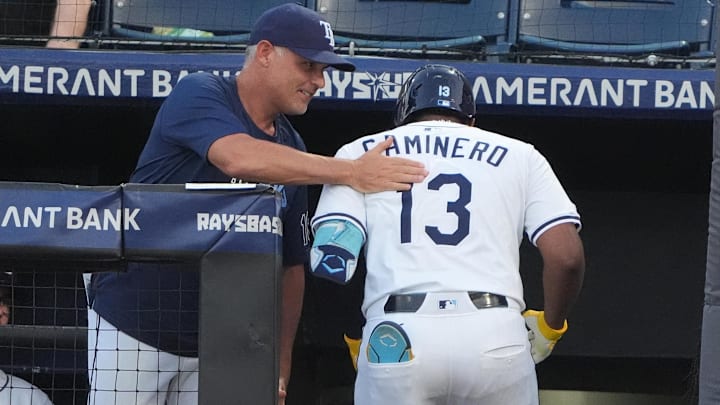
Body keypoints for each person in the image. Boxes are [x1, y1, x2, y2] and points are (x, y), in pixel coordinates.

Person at [85, 3, 427, 405]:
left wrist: (280, 366)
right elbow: (238, 157)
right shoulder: (200, 91)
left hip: (220, 345)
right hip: (136, 324)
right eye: (308, 66)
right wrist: (349, 172)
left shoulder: (293, 147)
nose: (318, 81)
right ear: (265, 53)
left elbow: (291, 269)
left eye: (323, 71)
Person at [310, 64, 586, 405]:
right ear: (470, 120)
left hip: (398, 331)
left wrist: (356, 334)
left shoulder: (361, 154)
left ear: (403, 117)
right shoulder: (521, 154)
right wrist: (550, 327)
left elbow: (331, 261)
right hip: (495, 332)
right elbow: (567, 258)